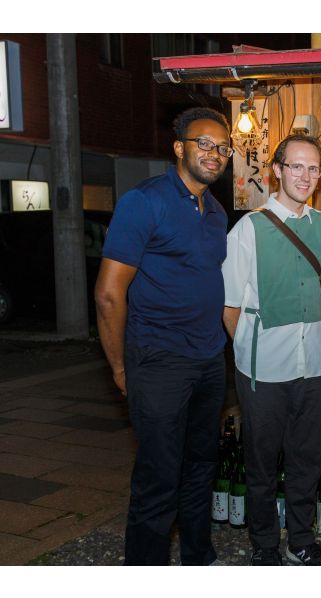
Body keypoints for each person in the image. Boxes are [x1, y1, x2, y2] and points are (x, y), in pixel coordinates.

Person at [95, 107, 233, 565]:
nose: (215, 154)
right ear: (179, 147)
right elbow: (109, 295)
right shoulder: (145, 201)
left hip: (210, 359)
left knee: (200, 469)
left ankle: (198, 557)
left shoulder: (214, 211)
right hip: (158, 360)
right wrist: (119, 366)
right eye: (204, 144)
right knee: (158, 476)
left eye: (223, 147)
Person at [222, 133, 321, 566]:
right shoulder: (248, 229)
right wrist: (251, 350)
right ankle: (264, 545)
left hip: (313, 362)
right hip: (263, 367)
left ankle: (300, 540)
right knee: (260, 460)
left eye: (314, 168)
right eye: (296, 166)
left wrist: (302, 331)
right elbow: (230, 306)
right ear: (276, 171)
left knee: (306, 457)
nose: (305, 176)